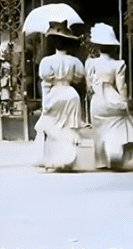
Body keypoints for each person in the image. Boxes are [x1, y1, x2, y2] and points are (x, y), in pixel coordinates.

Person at [85, 23, 133, 169]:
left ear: (98, 46)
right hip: (112, 98)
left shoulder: (90, 63)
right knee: (119, 123)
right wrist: (125, 101)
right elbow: (122, 87)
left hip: (97, 102)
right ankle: (115, 150)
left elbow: (89, 87)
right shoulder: (118, 65)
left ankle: (101, 160)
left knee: (99, 130)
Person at [33, 21, 86, 171]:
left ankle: (54, 158)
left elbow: (46, 81)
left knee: (53, 127)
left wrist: (45, 103)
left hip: (55, 93)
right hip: (70, 94)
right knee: (69, 126)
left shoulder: (47, 62)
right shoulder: (74, 61)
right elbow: (78, 78)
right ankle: (69, 158)